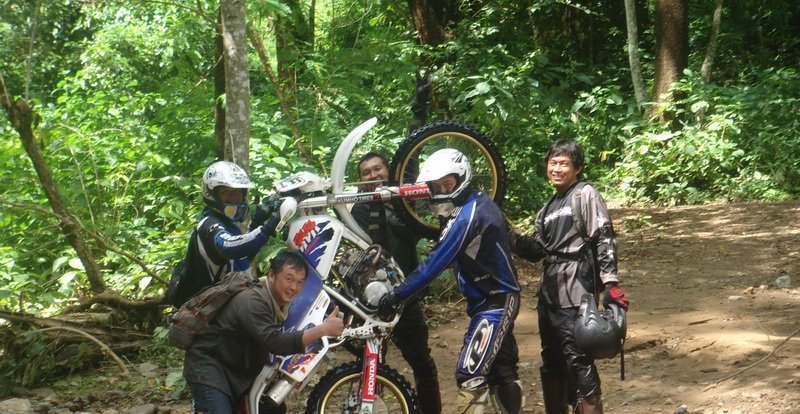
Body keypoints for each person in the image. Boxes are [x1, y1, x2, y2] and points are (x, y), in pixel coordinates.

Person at [378, 148, 523, 414]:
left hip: (495, 302)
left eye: (447, 184)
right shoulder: (475, 201)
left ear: (462, 178)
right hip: (490, 299)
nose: (442, 190)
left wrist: (398, 295)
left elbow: (434, 264)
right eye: (436, 186)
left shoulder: (467, 216)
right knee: (502, 370)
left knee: (470, 373)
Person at [509, 140, 629, 414]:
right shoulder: (547, 208)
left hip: (576, 293)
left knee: (578, 359)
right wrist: (506, 234)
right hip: (549, 296)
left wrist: (610, 283)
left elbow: (604, 237)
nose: (557, 169)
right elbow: (538, 250)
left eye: (564, 163)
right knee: (551, 360)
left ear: (578, 168)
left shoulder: (585, 194)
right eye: (553, 163)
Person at [182, 250, 345, 414]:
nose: (293, 287)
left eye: (299, 282)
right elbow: (275, 342)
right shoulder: (253, 302)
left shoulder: (276, 304)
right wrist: (323, 329)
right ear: (272, 275)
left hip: (235, 373)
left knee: (272, 410)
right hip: (209, 370)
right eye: (289, 279)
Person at [350, 152, 442, 414]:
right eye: (366, 173)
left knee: (421, 362)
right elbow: (368, 248)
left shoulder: (403, 202)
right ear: (361, 181)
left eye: (377, 169)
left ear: (388, 172)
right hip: (372, 301)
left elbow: (417, 229)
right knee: (370, 364)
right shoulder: (359, 210)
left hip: (406, 296)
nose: (373, 175)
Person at [172, 160, 282, 306]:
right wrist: (266, 230)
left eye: (237, 191)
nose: (233, 197)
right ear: (212, 194)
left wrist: (256, 223)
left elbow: (241, 259)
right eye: (226, 192)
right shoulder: (209, 224)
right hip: (211, 309)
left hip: (228, 302)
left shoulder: (229, 225)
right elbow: (227, 247)